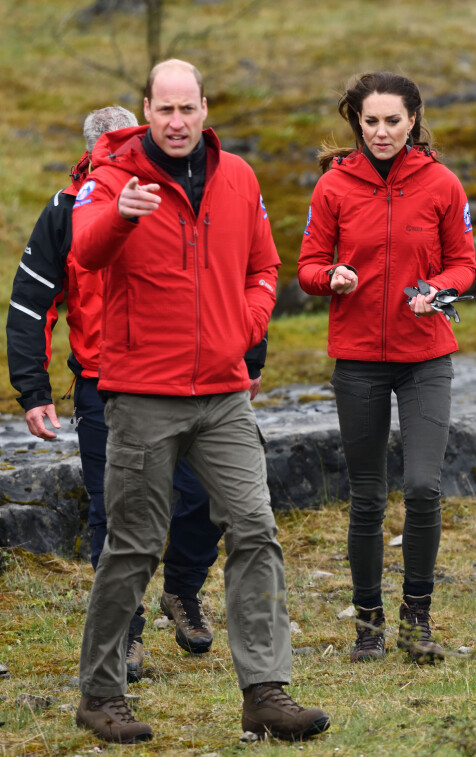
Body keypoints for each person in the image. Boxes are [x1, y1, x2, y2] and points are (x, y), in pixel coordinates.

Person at [70, 59, 330, 744]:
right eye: (165, 110)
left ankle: (266, 691)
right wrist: (121, 218)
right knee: (131, 545)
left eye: (189, 109)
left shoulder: (238, 177)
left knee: (256, 527)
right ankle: (101, 693)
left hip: (222, 395)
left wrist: (243, 327)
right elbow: (86, 252)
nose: (177, 122)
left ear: (205, 110)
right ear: (146, 111)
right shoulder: (110, 179)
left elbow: (264, 265)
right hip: (141, 396)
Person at [5, 105, 235, 683]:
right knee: (116, 512)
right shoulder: (65, 211)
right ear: (93, 152)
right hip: (101, 386)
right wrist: (33, 389)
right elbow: (30, 306)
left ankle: (181, 589)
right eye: (112, 146)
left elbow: (225, 275)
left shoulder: (180, 193)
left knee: (206, 498)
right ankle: (126, 638)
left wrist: (241, 352)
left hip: (179, 375)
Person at [298, 71, 476, 665]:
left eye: (392, 122)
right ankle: (368, 625)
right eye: (369, 121)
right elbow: (307, 266)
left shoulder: (443, 184)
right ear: (355, 120)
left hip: (425, 357)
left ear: (413, 120)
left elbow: (464, 266)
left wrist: (440, 292)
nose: (380, 132)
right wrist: (333, 277)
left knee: (423, 488)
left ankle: (416, 622)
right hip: (358, 363)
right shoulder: (333, 187)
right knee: (368, 497)